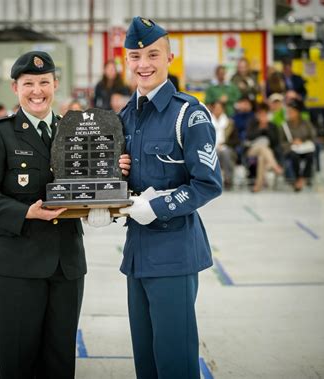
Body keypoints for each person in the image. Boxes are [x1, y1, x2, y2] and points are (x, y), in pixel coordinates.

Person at [0, 50, 130, 379]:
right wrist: (25, 212)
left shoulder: (77, 132)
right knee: (18, 362)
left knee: (59, 363)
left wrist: (112, 181)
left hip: (66, 265)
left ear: (56, 84)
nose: (37, 90)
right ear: (15, 88)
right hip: (16, 264)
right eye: (29, 83)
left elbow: (90, 185)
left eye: (44, 82)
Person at [117, 17, 222, 379]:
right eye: (135, 56)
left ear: (170, 57)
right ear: (125, 60)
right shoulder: (126, 116)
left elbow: (208, 183)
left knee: (175, 362)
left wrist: (157, 206)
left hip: (175, 254)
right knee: (145, 362)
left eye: (152, 55)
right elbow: (127, 183)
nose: (143, 64)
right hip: (137, 254)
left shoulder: (188, 114)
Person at [245, 102, 283, 192]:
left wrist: (267, 129)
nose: (262, 116)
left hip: (267, 152)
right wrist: (260, 129)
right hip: (252, 150)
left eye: (264, 114)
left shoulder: (272, 126)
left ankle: (258, 186)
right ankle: (275, 166)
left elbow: (275, 142)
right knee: (262, 148)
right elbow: (249, 137)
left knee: (262, 157)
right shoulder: (252, 124)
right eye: (260, 114)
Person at [280, 99, 316, 192]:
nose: (290, 114)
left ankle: (304, 177)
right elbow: (281, 142)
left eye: (292, 112)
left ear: (298, 112)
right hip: (291, 149)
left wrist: (302, 141)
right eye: (288, 112)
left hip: (305, 148)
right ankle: (298, 178)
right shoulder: (285, 125)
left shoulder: (306, 123)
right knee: (294, 156)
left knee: (310, 155)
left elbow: (313, 136)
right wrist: (291, 143)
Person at [210, 101, 240, 189]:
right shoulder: (207, 122)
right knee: (215, 153)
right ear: (212, 109)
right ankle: (212, 181)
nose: (217, 110)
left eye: (219, 108)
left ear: (223, 110)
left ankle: (228, 179)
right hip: (210, 147)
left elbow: (236, 140)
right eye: (215, 108)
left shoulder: (230, 123)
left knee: (225, 153)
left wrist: (224, 144)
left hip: (226, 147)